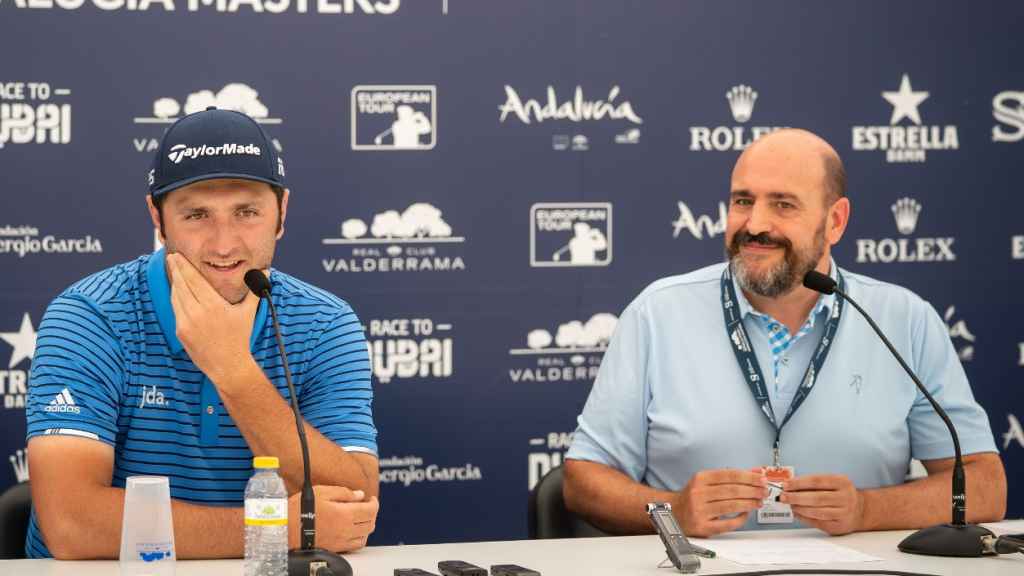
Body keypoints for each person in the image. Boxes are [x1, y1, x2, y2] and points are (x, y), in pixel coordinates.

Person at [563, 128, 1006, 538]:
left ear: (835, 221)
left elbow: (985, 487)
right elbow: (583, 480)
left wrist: (869, 511)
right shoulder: (657, 313)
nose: (755, 224)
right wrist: (672, 510)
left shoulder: (904, 319)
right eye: (742, 201)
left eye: (783, 204)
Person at [25, 108, 380, 559]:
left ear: (282, 211)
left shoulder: (325, 322)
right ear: (158, 217)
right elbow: (72, 523)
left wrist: (233, 370)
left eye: (247, 211)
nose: (224, 244)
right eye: (196, 215)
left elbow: (353, 509)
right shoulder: (90, 316)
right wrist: (272, 530)